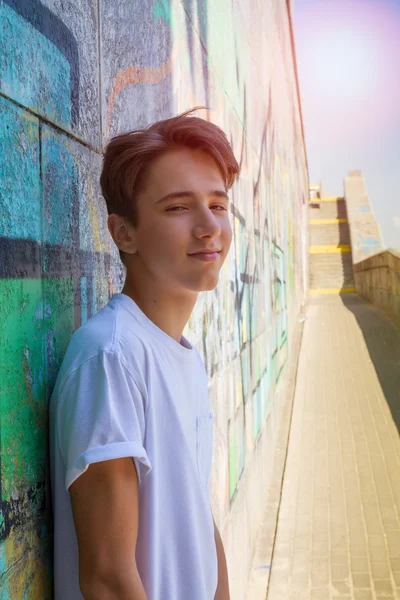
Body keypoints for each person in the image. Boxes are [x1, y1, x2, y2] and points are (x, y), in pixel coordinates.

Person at [49, 107, 240, 600]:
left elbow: (199, 518)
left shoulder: (183, 354)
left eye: (218, 205)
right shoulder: (112, 358)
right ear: (124, 233)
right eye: (178, 208)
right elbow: (108, 578)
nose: (208, 227)